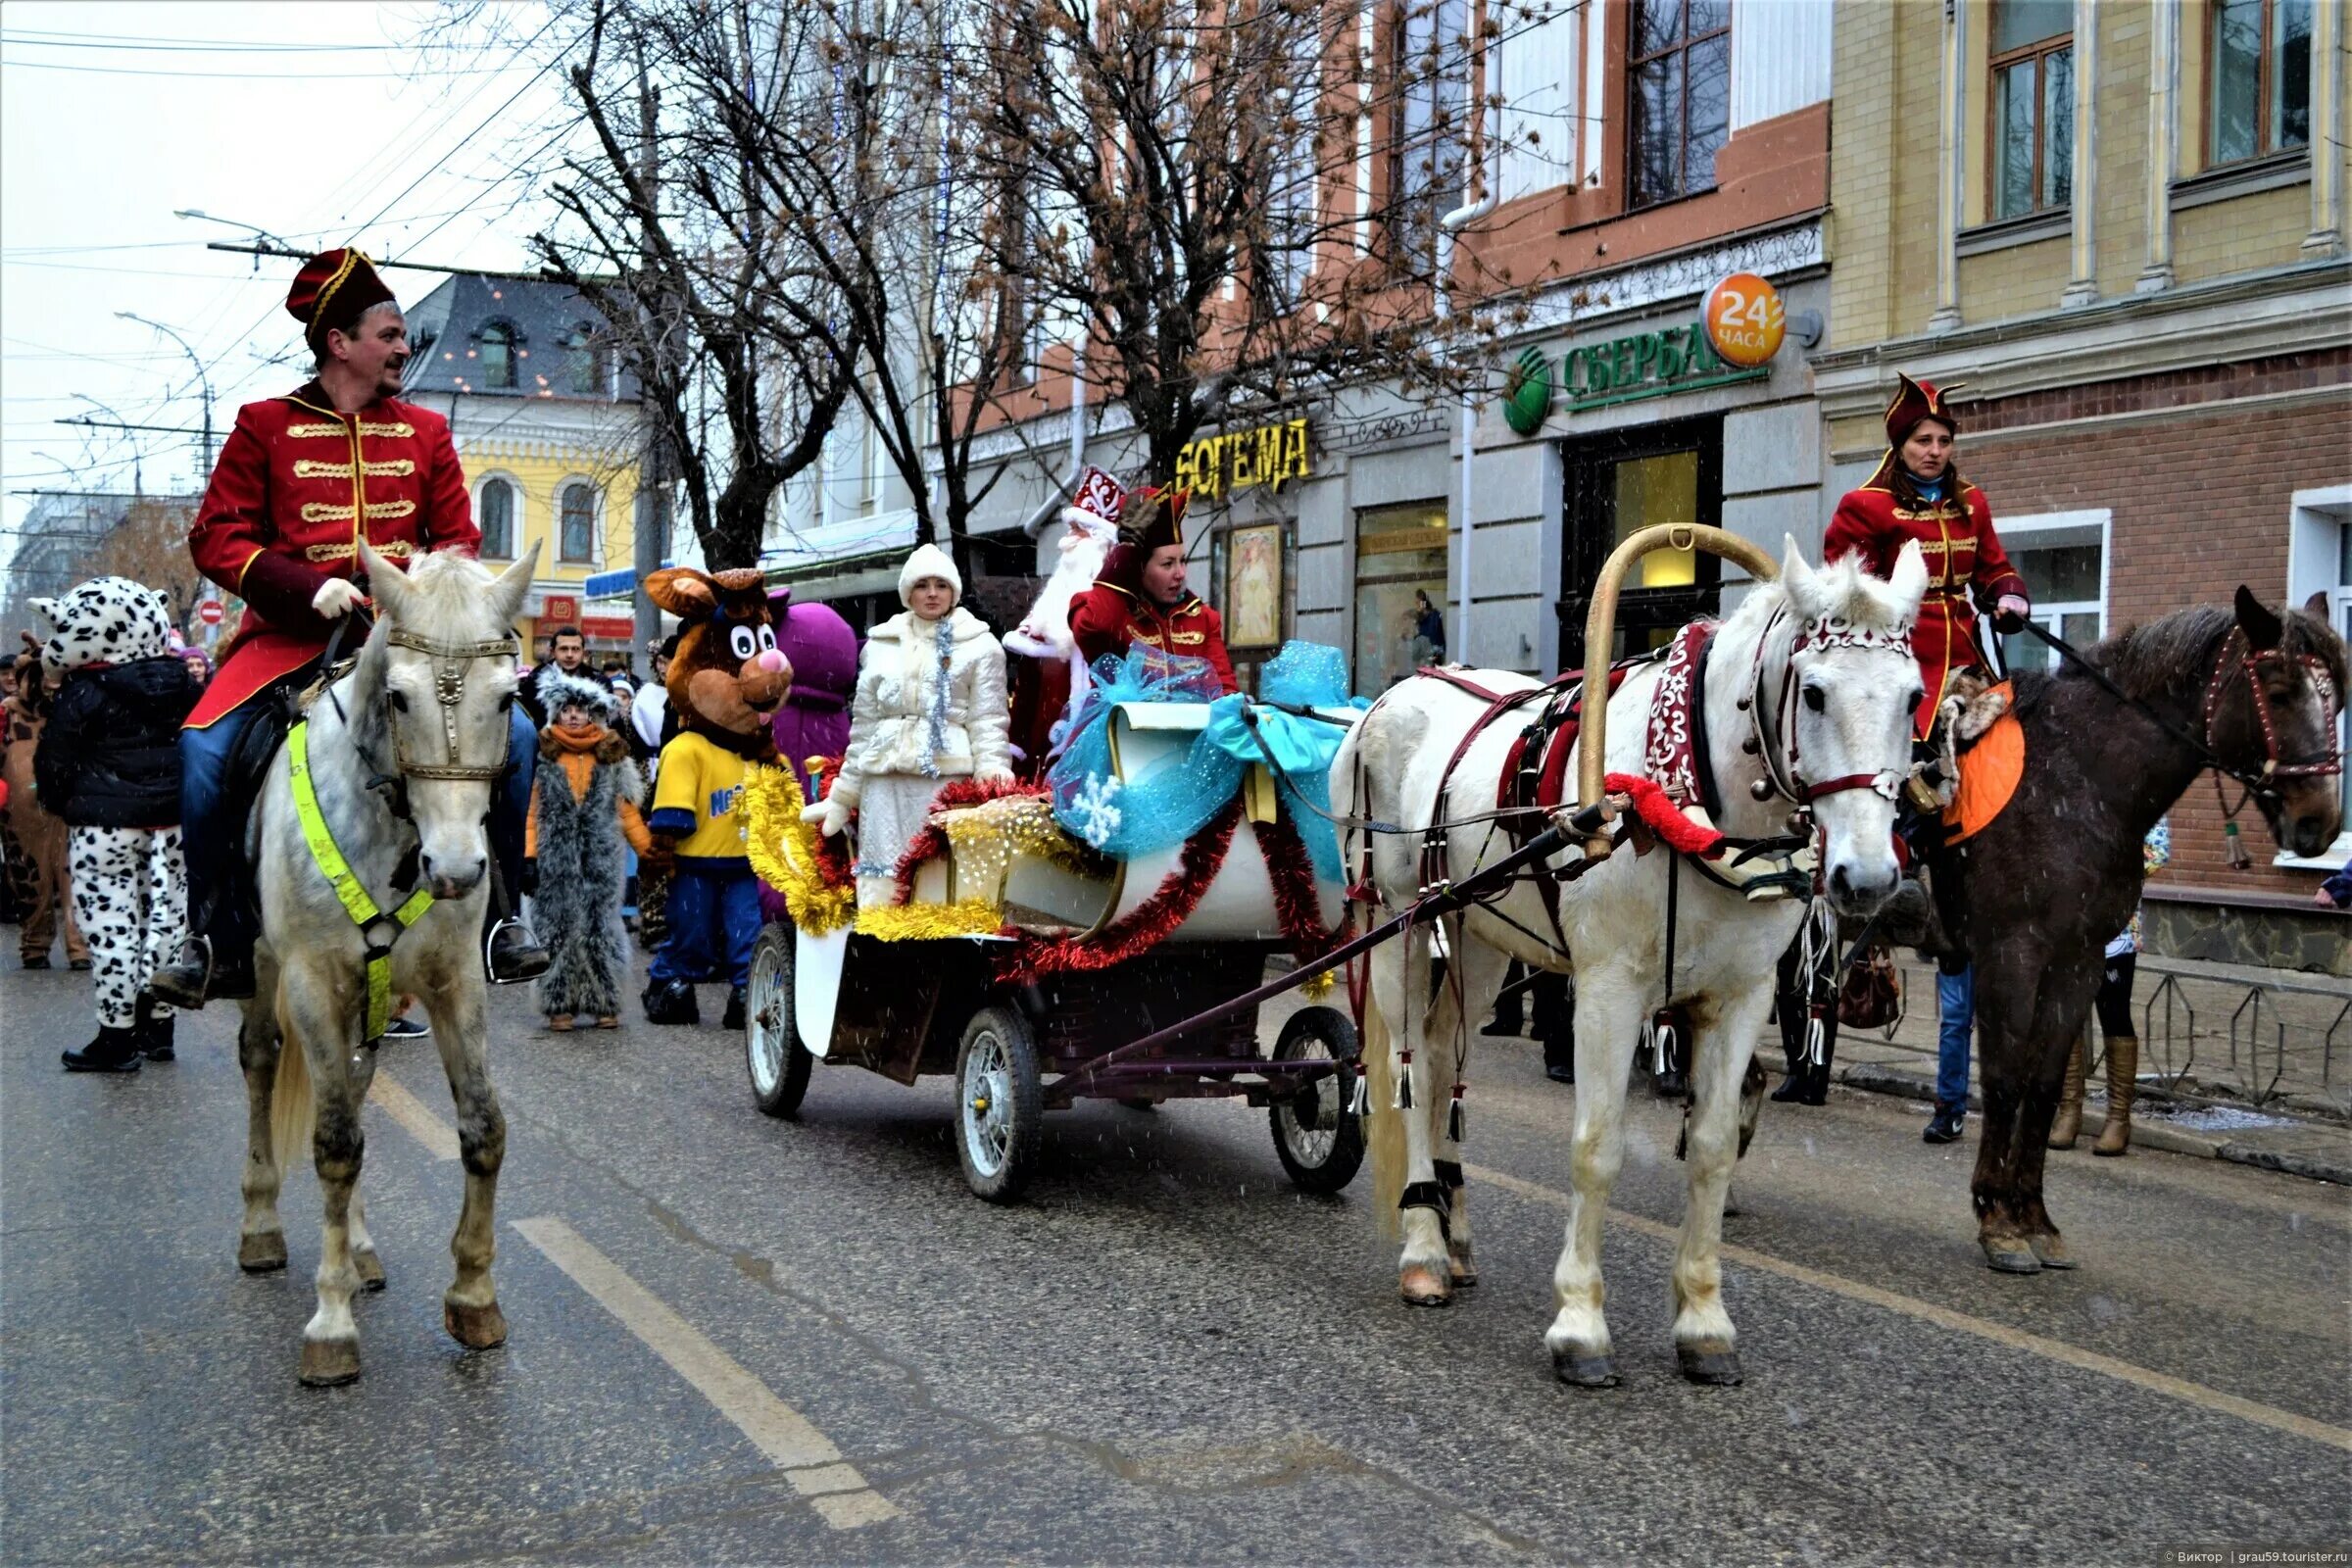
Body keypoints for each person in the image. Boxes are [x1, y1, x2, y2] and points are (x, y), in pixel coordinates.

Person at [150, 249, 545, 1009]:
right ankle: (211, 937)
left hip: (404, 641)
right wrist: (306, 586)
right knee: (201, 751)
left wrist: (416, 594)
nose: (404, 348)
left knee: (521, 737)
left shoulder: (427, 433)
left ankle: (503, 920)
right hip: (285, 640)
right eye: (391, 334)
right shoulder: (262, 425)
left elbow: (457, 543)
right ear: (340, 343)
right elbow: (217, 537)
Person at [1826, 374, 2031, 1148]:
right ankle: (1895, 868)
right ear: (1900, 445)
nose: (1936, 451)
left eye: (1944, 441)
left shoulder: (1971, 503)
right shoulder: (1867, 507)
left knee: (2007, 736)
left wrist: (2007, 594)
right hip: (1899, 652)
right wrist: (1886, 607)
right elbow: (1846, 588)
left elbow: (1994, 567)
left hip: (1966, 649)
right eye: (1923, 441)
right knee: (1908, 754)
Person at [31, 577, 200, 1071]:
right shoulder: (185, 683)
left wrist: (70, 805)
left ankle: (117, 1038)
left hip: (104, 827)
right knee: (166, 920)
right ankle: (159, 1027)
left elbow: (54, 764)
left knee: (112, 928)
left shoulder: (83, 690)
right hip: (173, 825)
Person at [807, 544, 1012, 908]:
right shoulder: (879, 644)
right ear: (907, 593)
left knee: (940, 876)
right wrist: (843, 796)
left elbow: (989, 722)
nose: (932, 593)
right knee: (882, 879)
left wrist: (992, 783)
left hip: (945, 781)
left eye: (941, 585)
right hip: (884, 781)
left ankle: (935, 959)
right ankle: (881, 948)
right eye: (922, 585)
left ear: (954, 592)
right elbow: (864, 728)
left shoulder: (981, 646)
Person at [525, 672, 652, 1031]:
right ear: (556, 714)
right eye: (566, 709)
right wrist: (529, 858)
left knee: (602, 929)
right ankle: (558, 1003)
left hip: (601, 860)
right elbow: (533, 814)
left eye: (580, 710)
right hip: (555, 860)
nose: (573, 716)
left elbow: (626, 809)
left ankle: (604, 1002)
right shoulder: (545, 756)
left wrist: (648, 851)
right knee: (556, 929)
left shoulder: (610, 757)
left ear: (593, 714)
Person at [2051, 820, 2171, 1154]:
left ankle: (2118, 1119)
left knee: (2113, 1012)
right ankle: (2069, 1111)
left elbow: (2157, 852)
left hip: (2115, 922)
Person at [1068, 486, 1239, 694]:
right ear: (1139, 567)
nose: (1180, 573)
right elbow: (1095, 629)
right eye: (1167, 564)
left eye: (1182, 561)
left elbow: (1225, 691)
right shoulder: (1102, 609)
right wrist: (1126, 552)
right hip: (1121, 726)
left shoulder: (1204, 619)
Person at [3, 641, 87, 971]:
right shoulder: (7, 711)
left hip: (70, 807)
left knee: (76, 878)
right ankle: (34, 944)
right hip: (20, 813)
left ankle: (78, 947)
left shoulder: (72, 711)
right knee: (29, 880)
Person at [521, 624, 590, 729]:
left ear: (583, 653)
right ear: (553, 652)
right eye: (563, 649)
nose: (569, 654)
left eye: (575, 649)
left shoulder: (597, 681)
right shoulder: (535, 681)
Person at [1411, 589, 1447, 666]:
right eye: (1416, 603)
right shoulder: (1419, 619)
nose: (1416, 606)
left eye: (1418, 603)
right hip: (1425, 654)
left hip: (1433, 653)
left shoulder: (1434, 616)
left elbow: (1437, 635)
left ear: (1423, 603)